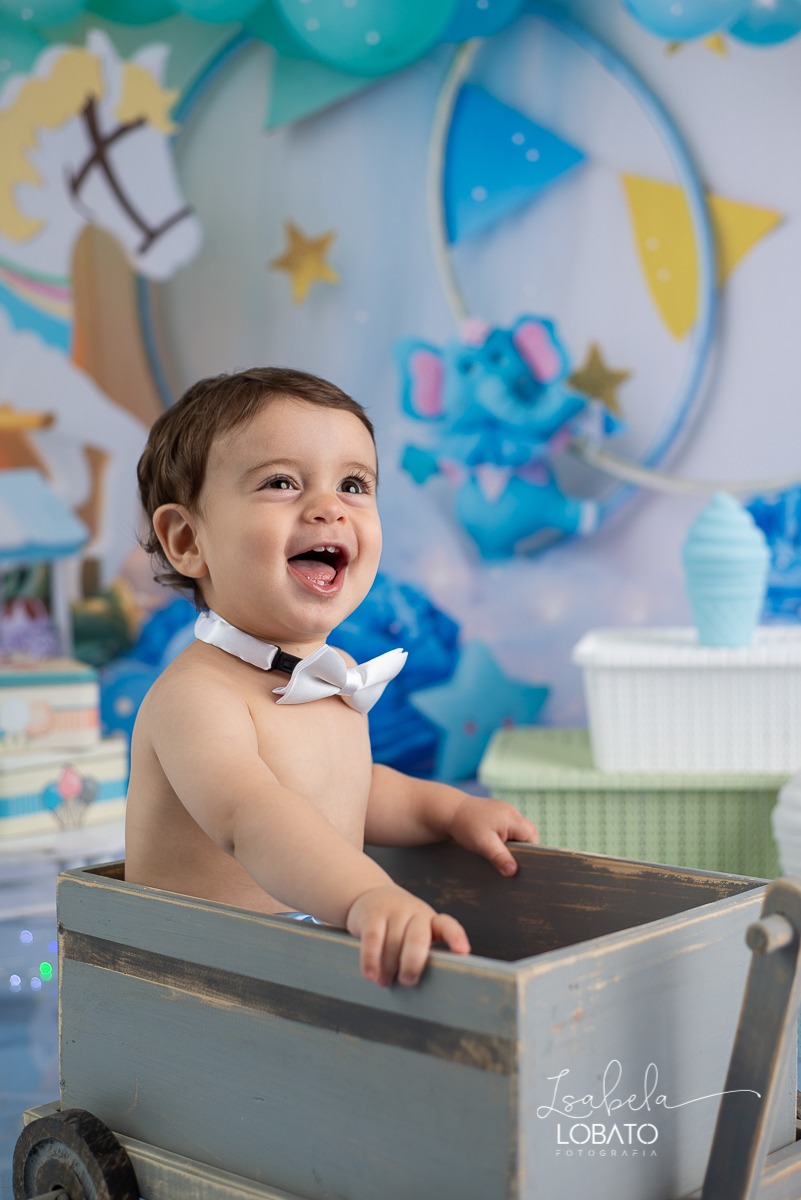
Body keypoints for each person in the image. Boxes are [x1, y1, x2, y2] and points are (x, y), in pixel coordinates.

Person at [127, 367, 538, 988]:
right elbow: (253, 815)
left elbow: (350, 789)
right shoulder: (196, 697)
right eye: (281, 482)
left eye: (353, 484)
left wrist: (449, 810)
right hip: (202, 977)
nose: (328, 508)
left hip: (305, 960)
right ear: (187, 541)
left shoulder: (333, 672)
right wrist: (364, 894)